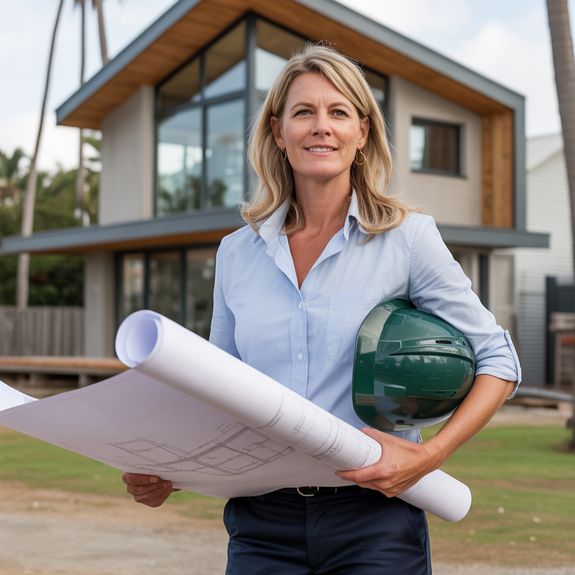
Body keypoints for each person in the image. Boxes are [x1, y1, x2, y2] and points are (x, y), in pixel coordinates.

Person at [123, 44, 521, 574]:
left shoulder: (407, 240)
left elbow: (499, 358)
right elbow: (217, 385)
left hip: (376, 520)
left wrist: (431, 455)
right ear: (277, 132)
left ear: (362, 134)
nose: (321, 127)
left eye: (338, 113)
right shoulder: (237, 252)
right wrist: (165, 467)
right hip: (260, 524)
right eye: (304, 112)